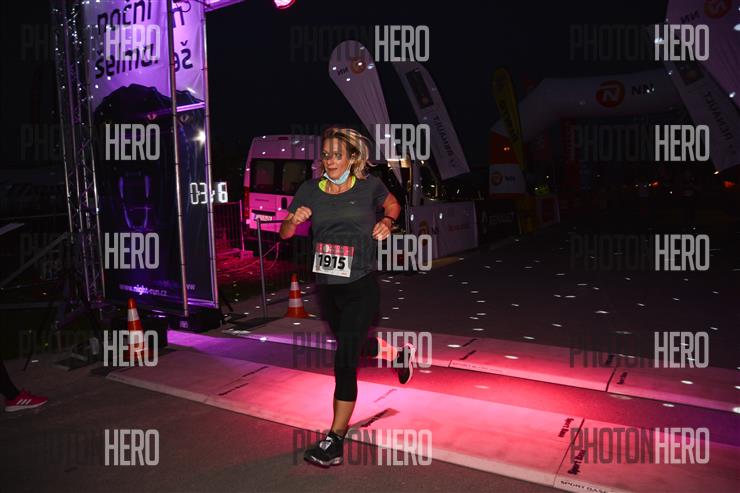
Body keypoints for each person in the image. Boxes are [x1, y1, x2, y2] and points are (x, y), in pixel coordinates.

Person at [279, 127, 415, 467]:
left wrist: (387, 221)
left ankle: (335, 440)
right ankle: (398, 355)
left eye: (337, 155)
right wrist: (293, 220)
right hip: (328, 288)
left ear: (352, 158)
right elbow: (284, 232)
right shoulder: (309, 190)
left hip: (361, 286)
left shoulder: (369, 186)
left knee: (344, 360)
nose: (330, 160)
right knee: (353, 345)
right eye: (326, 155)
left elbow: (393, 203)